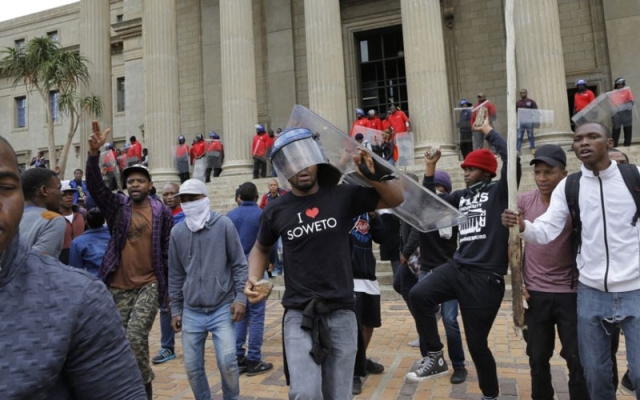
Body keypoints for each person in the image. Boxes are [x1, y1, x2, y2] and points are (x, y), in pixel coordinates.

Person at [244, 127, 403, 398]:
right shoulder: (274, 210)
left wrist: (372, 175)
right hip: (298, 312)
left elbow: (396, 198)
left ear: (317, 161)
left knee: (339, 394)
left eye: (306, 158)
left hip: (342, 310)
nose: (301, 166)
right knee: (305, 393)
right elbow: (261, 247)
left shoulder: (342, 196)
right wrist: (253, 277)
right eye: (292, 162)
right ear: (283, 170)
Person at [0, 136, 147, 399]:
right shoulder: (110, 209)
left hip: (143, 284)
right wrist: (93, 156)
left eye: (5, 187)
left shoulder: (78, 297)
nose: (65, 196)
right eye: (61, 191)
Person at [502, 122, 640, 399]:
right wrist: (523, 226)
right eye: (578, 138)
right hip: (591, 291)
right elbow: (546, 229)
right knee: (595, 373)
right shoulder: (570, 186)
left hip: (634, 287)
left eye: (592, 136)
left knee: (637, 372)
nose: (584, 142)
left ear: (609, 142)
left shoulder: (634, 176)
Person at [406, 117, 520, 400]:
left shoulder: (500, 192)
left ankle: (490, 395)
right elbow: (429, 206)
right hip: (457, 267)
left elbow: (512, 160)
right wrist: (430, 169)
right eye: (465, 168)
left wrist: (488, 131)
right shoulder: (460, 196)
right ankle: (435, 354)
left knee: (477, 345)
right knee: (418, 295)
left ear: (487, 172)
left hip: (485, 277)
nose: (466, 173)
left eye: (472, 169)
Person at [86, 121, 174, 399]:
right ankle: (125, 389)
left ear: (150, 185)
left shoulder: (162, 212)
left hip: (149, 284)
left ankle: (143, 389)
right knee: (117, 342)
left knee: (136, 337)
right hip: (118, 286)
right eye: (131, 181)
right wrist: (93, 155)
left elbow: (167, 252)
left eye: (140, 181)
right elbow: (96, 188)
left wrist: (169, 290)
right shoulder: (117, 206)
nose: (135, 185)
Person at [501, 144, 589, 399]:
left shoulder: (576, 202)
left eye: (548, 172)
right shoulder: (524, 201)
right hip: (535, 292)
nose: (541, 178)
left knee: (577, 356)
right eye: (538, 172)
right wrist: (519, 283)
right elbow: (513, 242)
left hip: (571, 291)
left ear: (564, 174)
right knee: (537, 356)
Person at [169, 179, 247, 400]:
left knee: (228, 362)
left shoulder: (224, 225)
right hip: (191, 310)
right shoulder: (177, 232)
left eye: (193, 199)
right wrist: (175, 309)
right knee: (193, 368)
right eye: (184, 200)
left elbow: (239, 264)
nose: (188, 204)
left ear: (204, 198)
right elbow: (175, 274)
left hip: (222, 306)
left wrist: (240, 297)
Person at [407, 170, 468, 384]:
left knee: (450, 320)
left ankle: (459, 365)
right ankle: (429, 359)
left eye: (442, 190)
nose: (438, 194)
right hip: (427, 270)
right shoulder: (424, 214)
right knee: (425, 317)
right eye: (435, 190)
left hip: (449, 272)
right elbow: (424, 196)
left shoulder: (454, 215)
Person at [227, 182, 274, 376]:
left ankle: (238, 356)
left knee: (240, 312)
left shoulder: (230, 216)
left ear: (239, 197)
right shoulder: (261, 214)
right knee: (256, 315)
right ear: (256, 196)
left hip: (236, 271)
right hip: (257, 269)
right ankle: (254, 358)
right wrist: (272, 261)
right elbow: (269, 242)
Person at [350, 211, 386, 394]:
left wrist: (374, 217)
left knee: (370, 323)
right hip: (350, 277)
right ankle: (353, 372)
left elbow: (381, 237)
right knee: (354, 328)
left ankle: (361, 359)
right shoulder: (343, 209)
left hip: (369, 276)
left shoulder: (369, 213)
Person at [151, 182, 185, 366]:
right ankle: (167, 347)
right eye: (166, 194)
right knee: (165, 307)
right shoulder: (158, 216)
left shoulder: (187, 216)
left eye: (173, 193)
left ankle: (192, 345)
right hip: (164, 269)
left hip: (185, 268)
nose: (169, 197)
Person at [18, 167, 65, 258]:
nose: (62, 193)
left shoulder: (8, 216)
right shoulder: (53, 219)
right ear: (44, 191)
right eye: (59, 188)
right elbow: (37, 260)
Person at [69, 207, 111, 277]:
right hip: (116, 279)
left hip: (92, 280)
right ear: (104, 221)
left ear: (86, 222)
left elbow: (75, 269)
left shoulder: (77, 242)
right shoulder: (115, 236)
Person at [58, 183, 86, 265]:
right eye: (64, 195)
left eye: (70, 194)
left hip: (81, 258)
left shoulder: (82, 214)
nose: (68, 197)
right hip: (61, 261)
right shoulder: (54, 218)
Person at [611, 78, 635, 147]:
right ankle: (614, 145)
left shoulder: (627, 91)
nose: (620, 85)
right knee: (616, 129)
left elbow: (631, 101)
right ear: (616, 85)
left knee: (627, 128)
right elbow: (611, 103)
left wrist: (624, 103)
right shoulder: (613, 93)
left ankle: (627, 144)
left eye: (621, 84)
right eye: (619, 84)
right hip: (617, 113)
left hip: (626, 112)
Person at [516, 89, 539, 155]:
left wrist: (536, 122)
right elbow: (515, 111)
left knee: (530, 135)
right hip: (521, 121)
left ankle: (532, 148)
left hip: (529, 121)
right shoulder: (518, 103)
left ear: (526, 93)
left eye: (523, 92)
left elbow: (536, 111)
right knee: (519, 136)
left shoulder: (531, 102)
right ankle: (517, 150)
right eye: (521, 93)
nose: (522, 94)